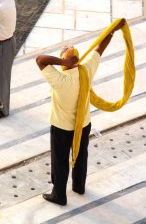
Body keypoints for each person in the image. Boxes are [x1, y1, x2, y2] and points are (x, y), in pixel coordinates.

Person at [35, 18, 126, 205]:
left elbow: (40, 60)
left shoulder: (60, 80)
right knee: (81, 155)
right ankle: (79, 186)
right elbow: (100, 47)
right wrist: (113, 29)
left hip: (61, 128)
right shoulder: (86, 70)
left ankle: (59, 194)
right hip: (83, 125)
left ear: (65, 60)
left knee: (60, 160)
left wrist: (62, 60)